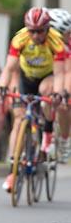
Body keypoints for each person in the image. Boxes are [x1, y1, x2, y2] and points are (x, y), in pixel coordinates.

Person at [0, 7, 65, 192]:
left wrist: (58, 93)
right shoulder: (20, 39)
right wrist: (3, 86)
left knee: (46, 97)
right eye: (31, 31)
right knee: (18, 120)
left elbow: (60, 74)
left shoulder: (56, 42)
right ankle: (12, 171)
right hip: (26, 78)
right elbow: (9, 68)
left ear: (47, 29)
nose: (35, 35)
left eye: (40, 31)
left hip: (47, 77)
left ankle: (48, 134)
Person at [48, 8, 71, 162]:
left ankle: (64, 138)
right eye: (66, 33)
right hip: (46, 76)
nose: (69, 35)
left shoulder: (67, 47)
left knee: (63, 105)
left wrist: (65, 93)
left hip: (64, 73)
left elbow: (67, 72)